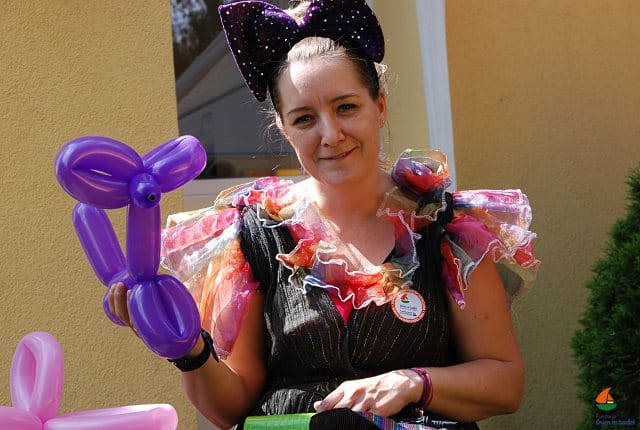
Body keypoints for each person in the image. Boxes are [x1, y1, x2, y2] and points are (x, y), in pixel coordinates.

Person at [108, 0, 539, 429]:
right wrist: (188, 350)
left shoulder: (447, 224)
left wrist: (414, 383)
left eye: (346, 107)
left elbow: (504, 383)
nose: (330, 135)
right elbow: (230, 408)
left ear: (380, 106)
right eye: (304, 119)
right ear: (283, 128)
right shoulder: (255, 234)